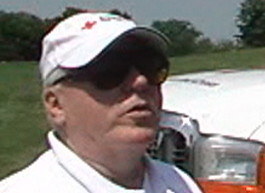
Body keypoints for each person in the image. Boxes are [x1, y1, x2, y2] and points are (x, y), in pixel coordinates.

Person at [0, 12, 203, 193]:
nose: (140, 82)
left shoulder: (179, 183)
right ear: (56, 105)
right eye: (111, 71)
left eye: (150, 66)